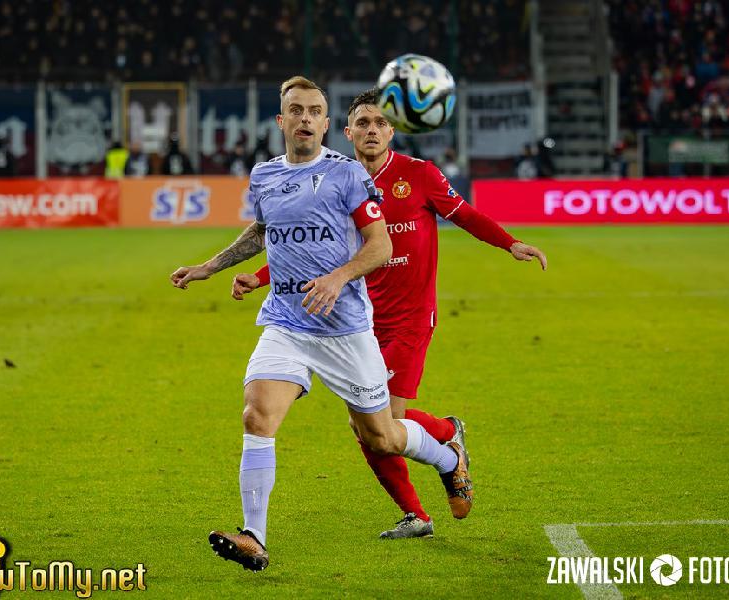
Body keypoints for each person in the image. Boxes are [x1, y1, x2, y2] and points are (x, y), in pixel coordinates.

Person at [169, 77, 472, 571]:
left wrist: (338, 278)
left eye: (314, 111)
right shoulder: (265, 175)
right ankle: (254, 536)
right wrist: (211, 266)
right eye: (296, 110)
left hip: (345, 329)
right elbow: (264, 231)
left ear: (327, 124)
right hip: (286, 323)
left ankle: (447, 456)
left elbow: (380, 245)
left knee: (381, 437)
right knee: (257, 415)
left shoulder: (347, 175)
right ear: (281, 121)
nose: (305, 118)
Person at [233, 88, 546, 539]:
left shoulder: (419, 174)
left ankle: (447, 434)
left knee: (387, 418)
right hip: (355, 320)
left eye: (381, 123)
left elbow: (464, 214)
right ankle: (416, 513)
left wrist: (509, 243)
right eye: (363, 123)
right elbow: (312, 250)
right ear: (347, 132)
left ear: (392, 131)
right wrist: (261, 278)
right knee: (367, 427)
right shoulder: (335, 179)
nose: (372, 130)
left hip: (410, 319)